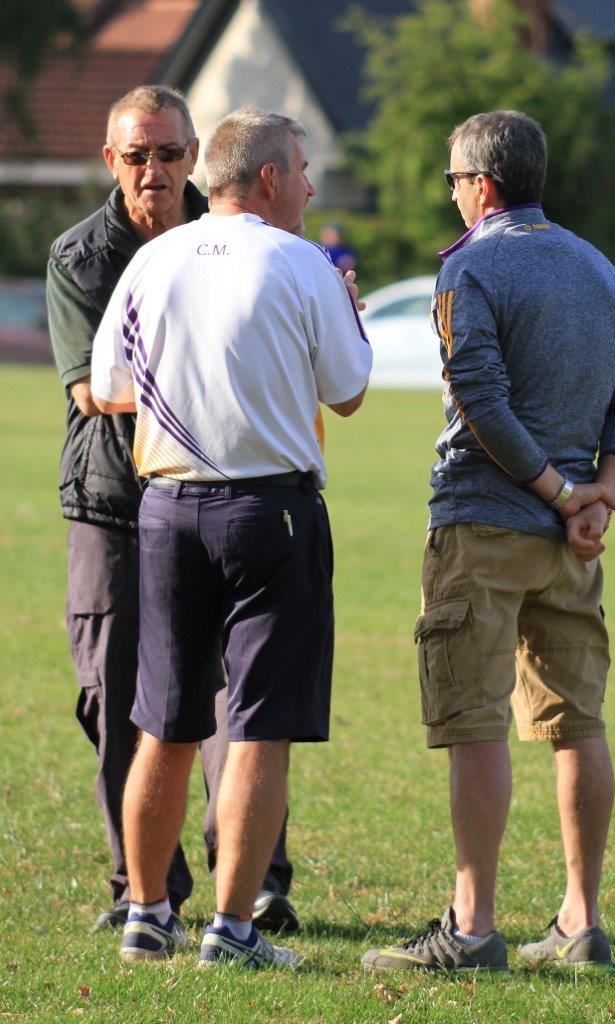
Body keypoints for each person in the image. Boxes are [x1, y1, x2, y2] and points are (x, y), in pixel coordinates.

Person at [362, 110, 615, 974]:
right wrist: (600, 495)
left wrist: (565, 492)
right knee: (578, 723)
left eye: (453, 181)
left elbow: (482, 402)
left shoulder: (470, 267)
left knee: (475, 720)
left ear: (480, 185)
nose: (451, 195)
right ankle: (580, 921)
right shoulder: (600, 267)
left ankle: (473, 926)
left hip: (484, 523)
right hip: (572, 543)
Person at [89, 107, 372, 968]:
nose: (312, 183)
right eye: (304, 167)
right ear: (269, 178)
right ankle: (234, 930)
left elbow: (106, 387)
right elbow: (350, 392)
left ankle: (146, 915)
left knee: (162, 724)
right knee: (258, 726)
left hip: (168, 508)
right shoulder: (302, 261)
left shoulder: (154, 259)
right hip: (272, 513)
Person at [46, 85, 297, 935]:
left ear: (195, 156)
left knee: (245, 697)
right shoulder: (80, 256)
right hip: (117, 505)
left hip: (226, 497)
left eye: (169, 153)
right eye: (136, 155)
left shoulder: (237, 234)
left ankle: (253, 879)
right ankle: (142, 893)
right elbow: (93, 390)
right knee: (118, 695)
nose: (154, 170)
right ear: (110, 161)